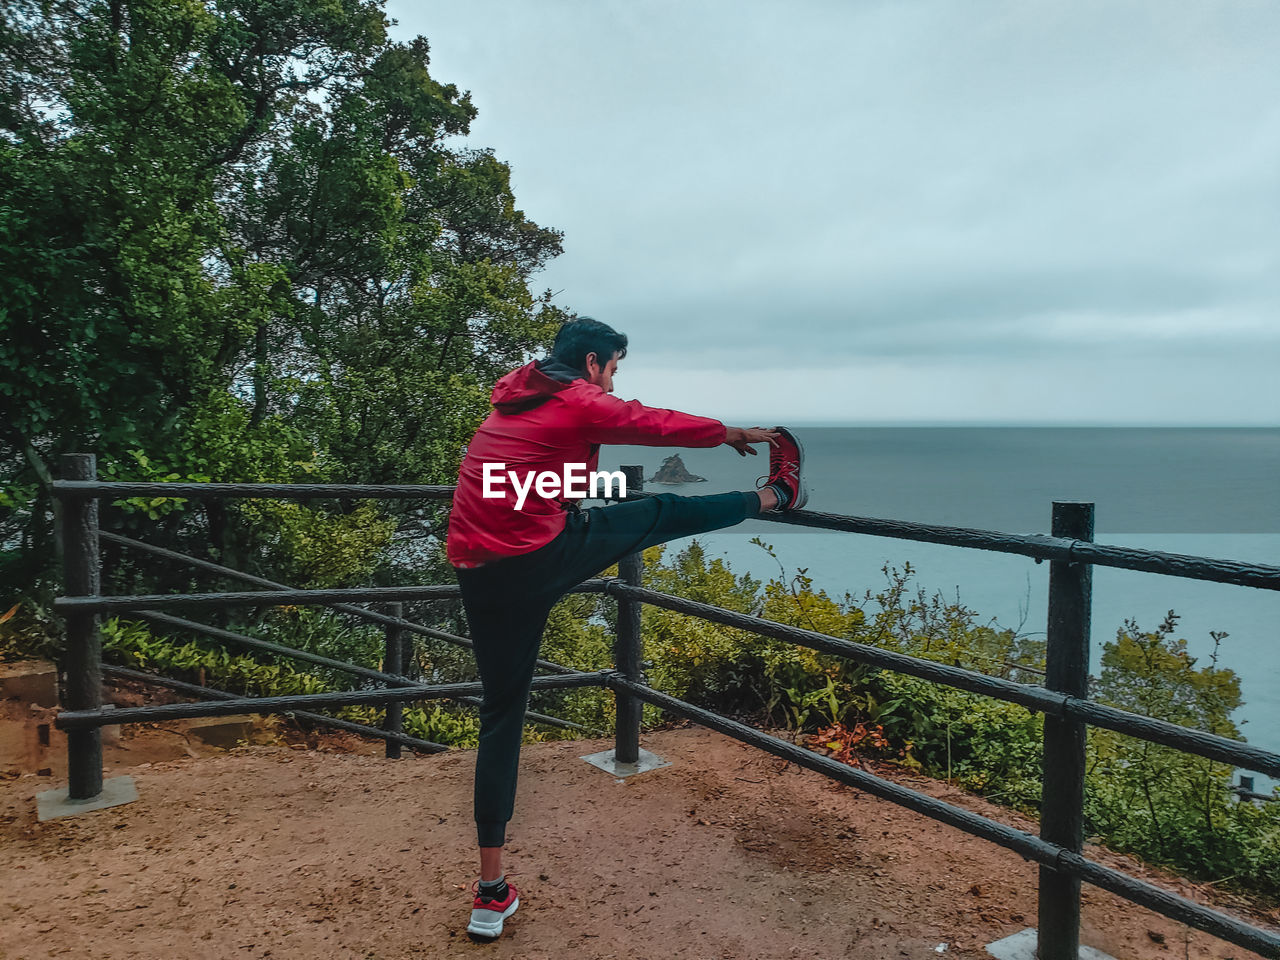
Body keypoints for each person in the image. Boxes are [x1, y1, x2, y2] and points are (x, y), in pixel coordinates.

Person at [446, 317, 807, 938]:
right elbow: (648, 423)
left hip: (478, 566)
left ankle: (490, 892)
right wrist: (733, 432)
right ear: (592, 364)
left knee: (501, 714)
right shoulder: (576, 399)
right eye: (614, 368)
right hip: (538, 554)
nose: (614, 381)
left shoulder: (514, 398)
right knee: (660, 510)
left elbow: (527, 476)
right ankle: (776, 497)